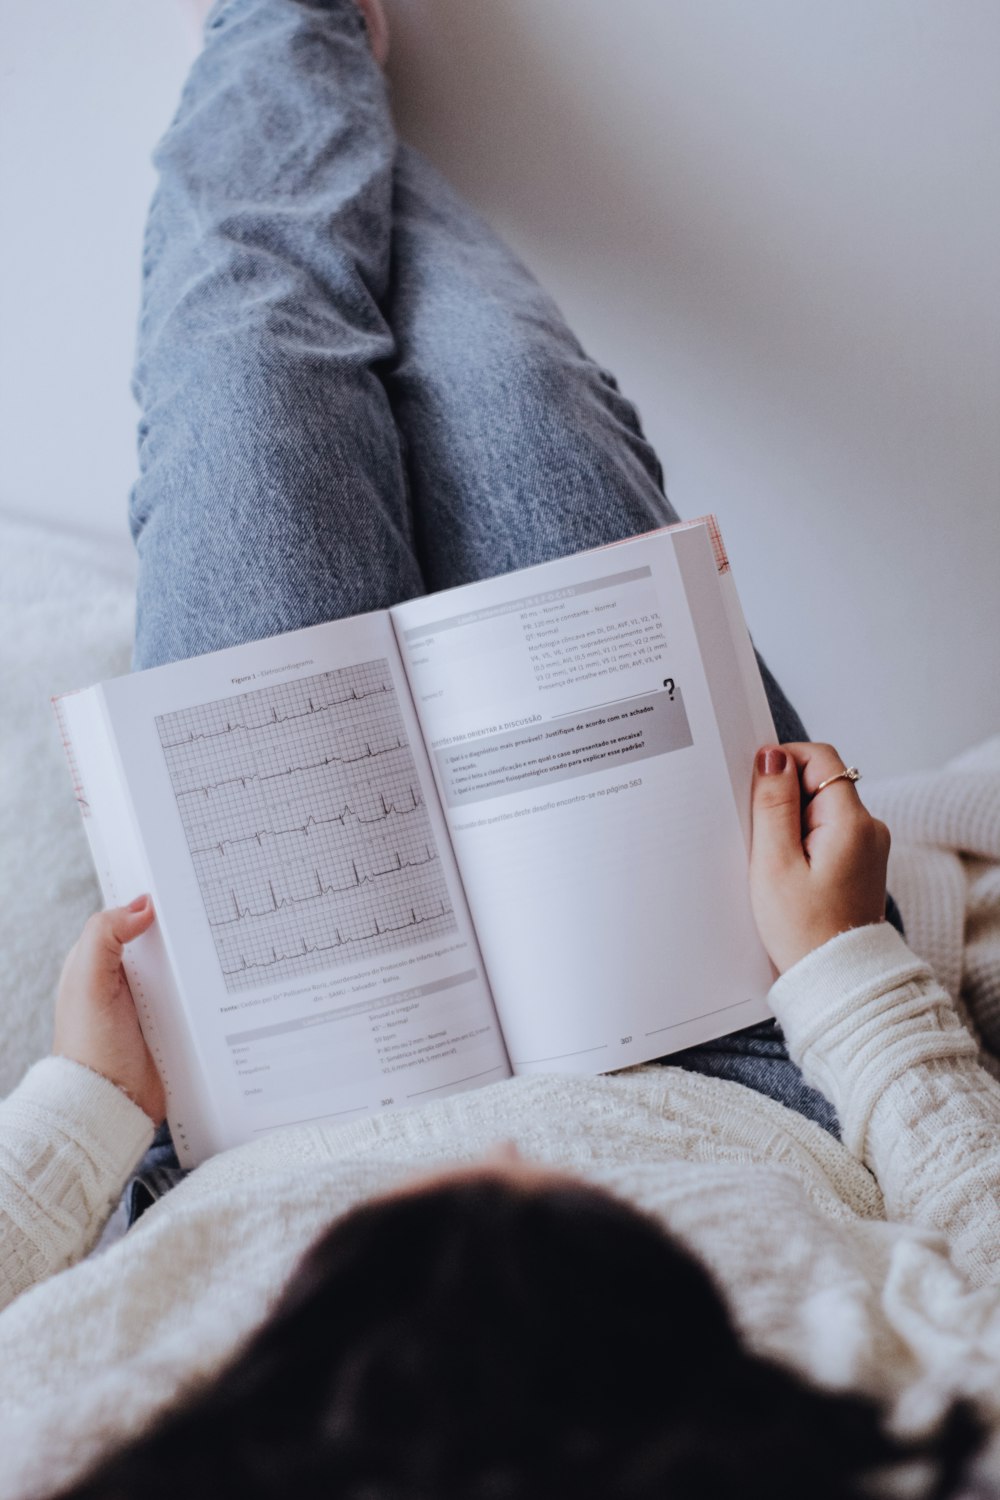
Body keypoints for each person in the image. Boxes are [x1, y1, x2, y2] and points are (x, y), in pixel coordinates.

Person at [1, 1, 999, 1495]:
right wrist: (845, 968)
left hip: (258, 1093)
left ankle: (293, 23)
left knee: (250, 374)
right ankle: (316, 46)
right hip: (721, 1024)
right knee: (507, 391)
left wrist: (86, 1108)